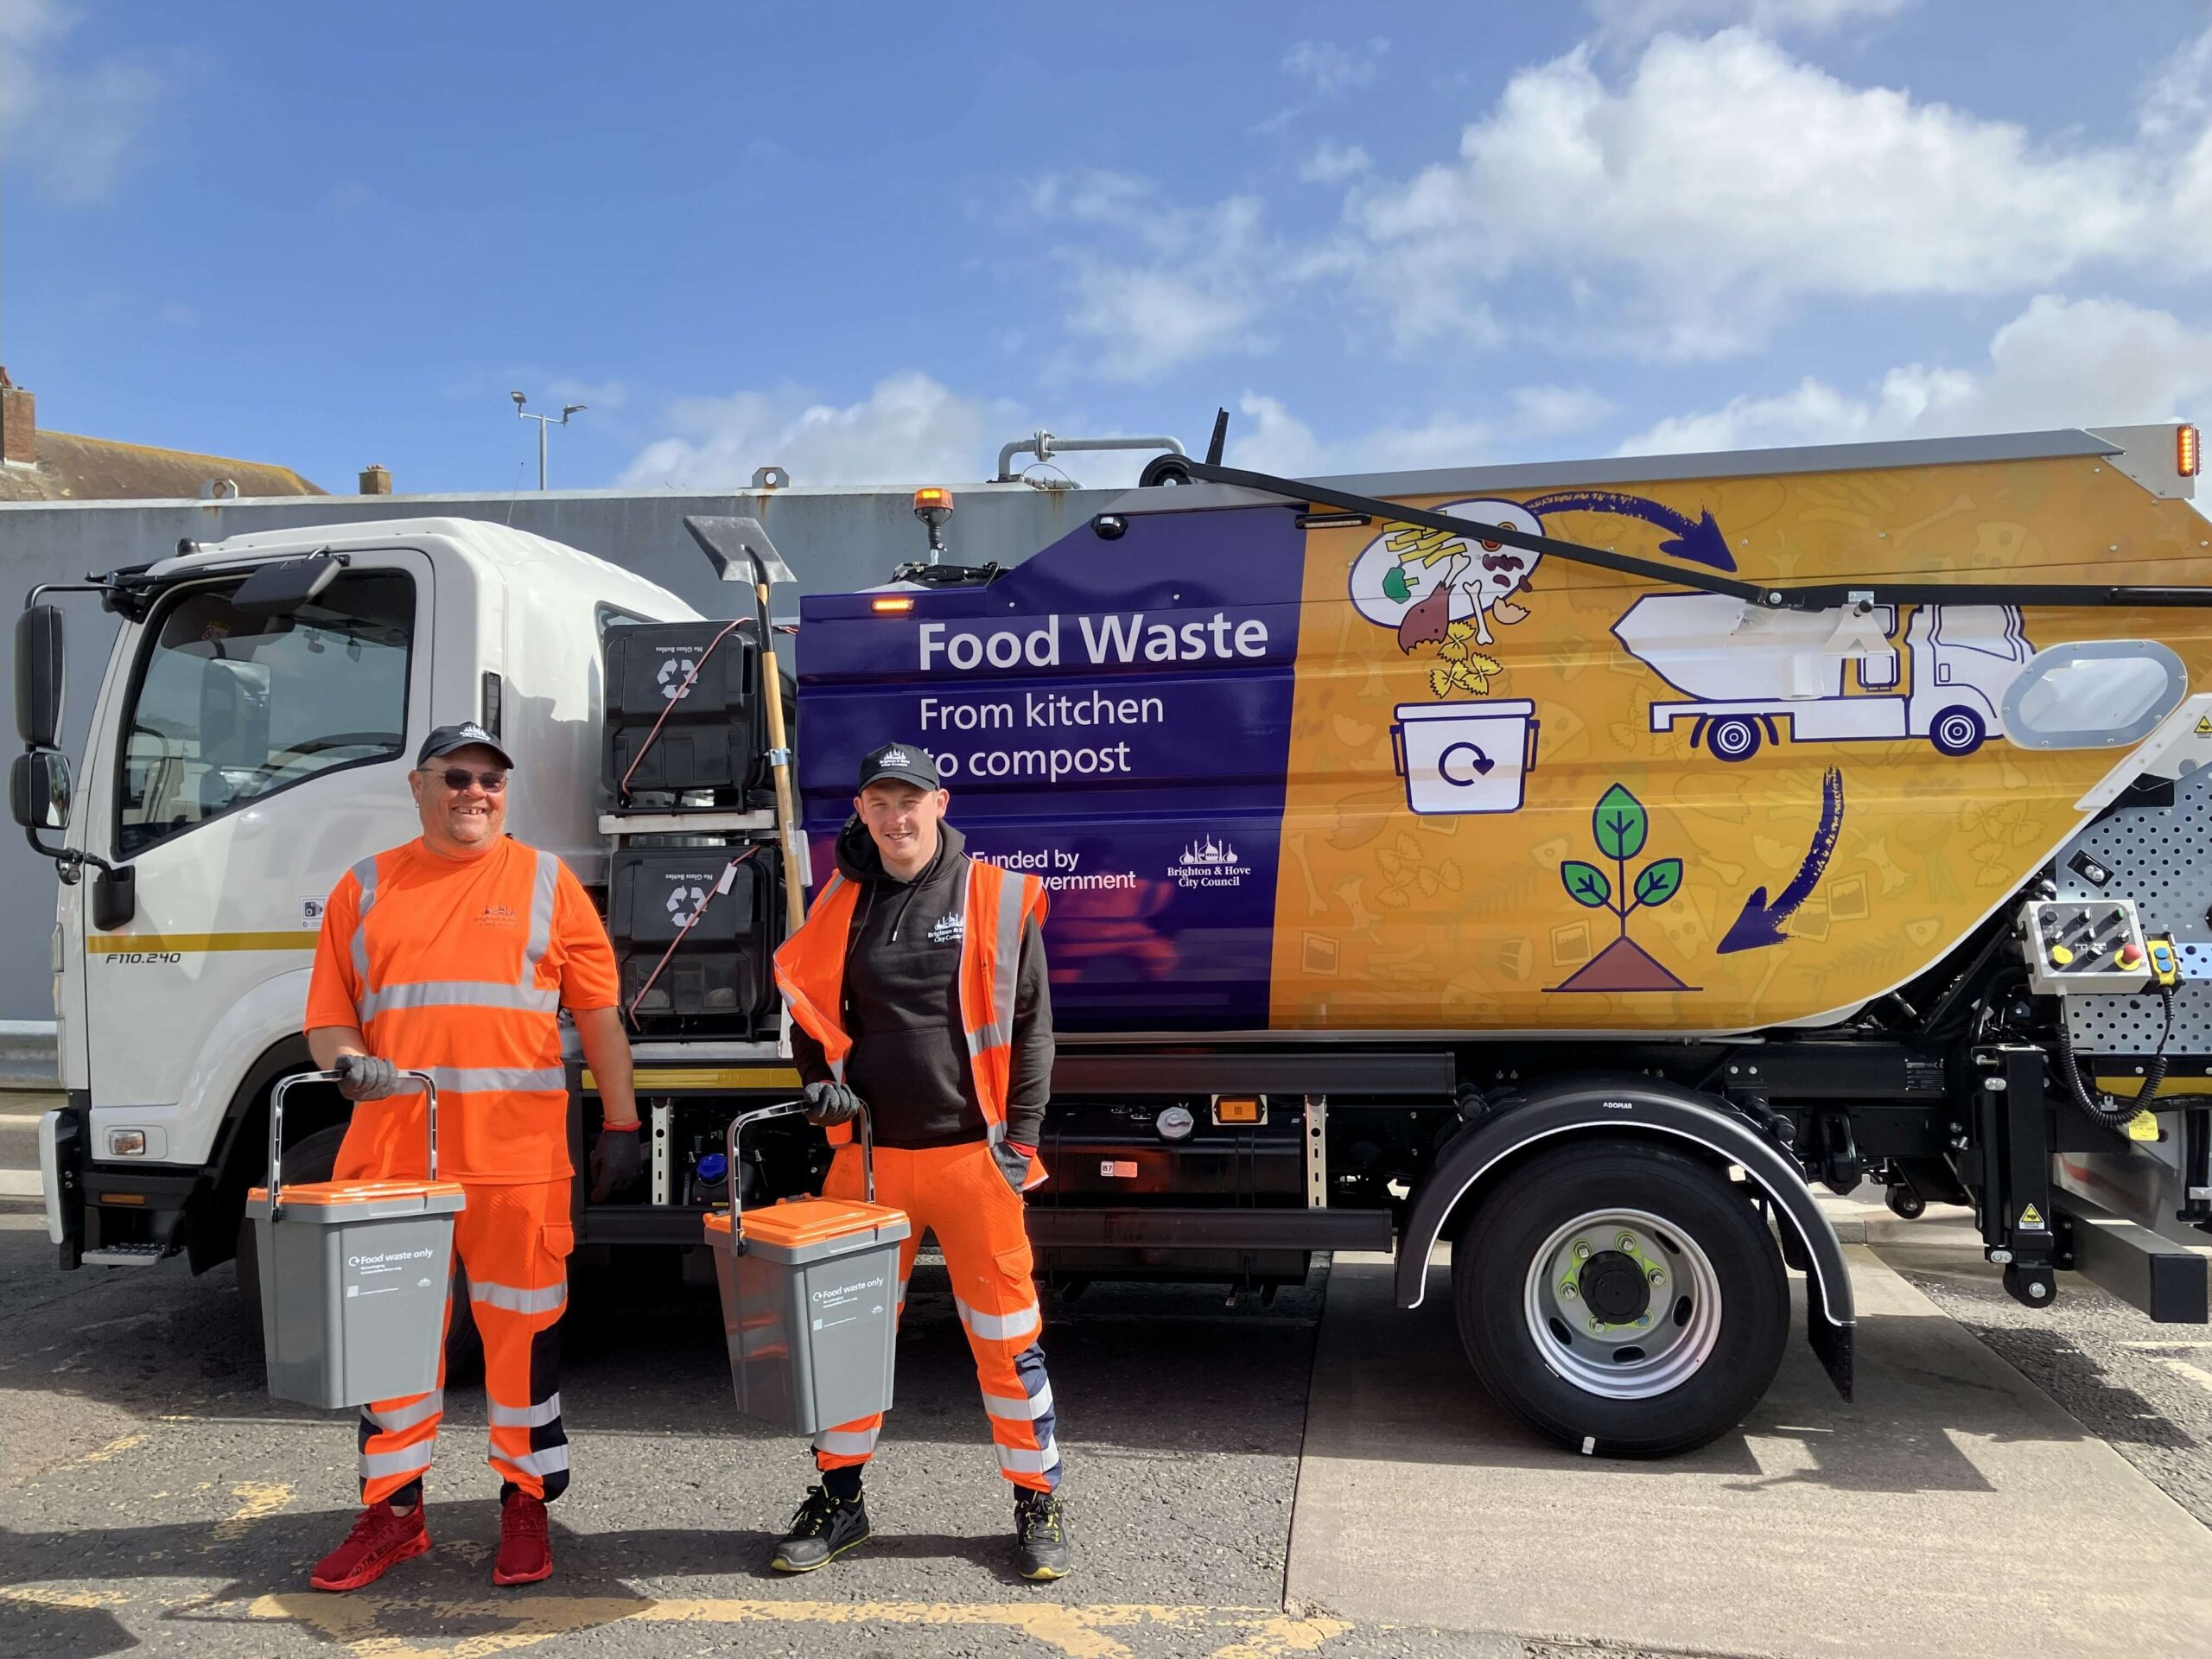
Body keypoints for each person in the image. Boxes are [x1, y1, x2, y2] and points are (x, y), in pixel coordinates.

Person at [297, 721, 643, 1592]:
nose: (474, 793)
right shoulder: (365, 887)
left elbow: (598, 1014)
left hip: (518, 1164)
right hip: (392, 1163)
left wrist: (623, 1124)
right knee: (389, 1349)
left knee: (523, 1342)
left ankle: (525, 1504)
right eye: (456, 777)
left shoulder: (546, 883)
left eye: (490, 778)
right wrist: (347, 1064)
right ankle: (393, 1514)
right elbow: (327, 1019)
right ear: (418, 787)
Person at [771, 741, 1069, 1580]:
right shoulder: (844, 900)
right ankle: (839, 1501)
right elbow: (806, 1010)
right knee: (846, 1341)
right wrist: (817, 1087)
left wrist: (1019, 1143)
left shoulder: (996, 896)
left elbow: (1032, 1027)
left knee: (1008, 1339)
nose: (896, 818)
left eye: (911, 801)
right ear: (861, 812)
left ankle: (1036, 1498)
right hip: (865, 1166)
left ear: (941, 804)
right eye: (879, 803)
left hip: (974, 1159)